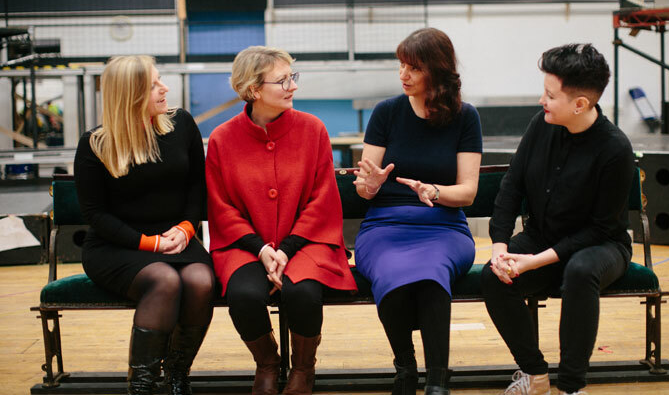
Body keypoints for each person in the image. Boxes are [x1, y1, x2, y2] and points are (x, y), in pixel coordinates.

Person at [481, 44, 635, 395]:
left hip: (601, 244)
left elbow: (600, 228)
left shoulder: (615, 149)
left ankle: (571, 386)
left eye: (550, 95)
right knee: (493, 277)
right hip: (543, 237)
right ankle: (535, 375)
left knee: (580, 272)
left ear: (580, 104)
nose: (541, 100)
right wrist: (500, 247)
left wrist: (535, 261)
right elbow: (511, 186)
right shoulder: (541, 125)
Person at [205, 46, 357, 395]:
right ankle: (268, 364)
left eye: (293, 78)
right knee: (243, 295)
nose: (293, 86)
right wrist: (260, 250)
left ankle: (303, 370)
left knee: (303, 291)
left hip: (307, 242)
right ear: (254, 90)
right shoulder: (222, 140)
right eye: (283, 80)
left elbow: (323, 199)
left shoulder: (313, 129)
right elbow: (222, 206)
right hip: (245, 246)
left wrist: (286, 249)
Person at [74, 55, 215, 395]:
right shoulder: (95, 144)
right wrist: (148, 244)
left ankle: (178, 373)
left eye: (160, 79)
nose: (164, 88)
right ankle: (142, 386)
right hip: (117, 245)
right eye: (153, 85)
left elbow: (198, 187)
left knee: (200, 280)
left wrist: (186, 228)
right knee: (164, 280)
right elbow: (96, 215)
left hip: (176, 236)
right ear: (129, 94)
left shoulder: (181, 124)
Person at [353, 27, 483, 395]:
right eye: (401, 66)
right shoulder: (386, 113)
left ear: (436, 70)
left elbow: (469, 192)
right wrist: (372, 185)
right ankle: (405, 367)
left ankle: (438, 380)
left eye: (413, 68)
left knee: (430, 275)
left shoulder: (465, 116)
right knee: (389, 271)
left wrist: (435, 191)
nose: (403, 75)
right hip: (385, 224)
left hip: (443, 226)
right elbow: (364, 187)